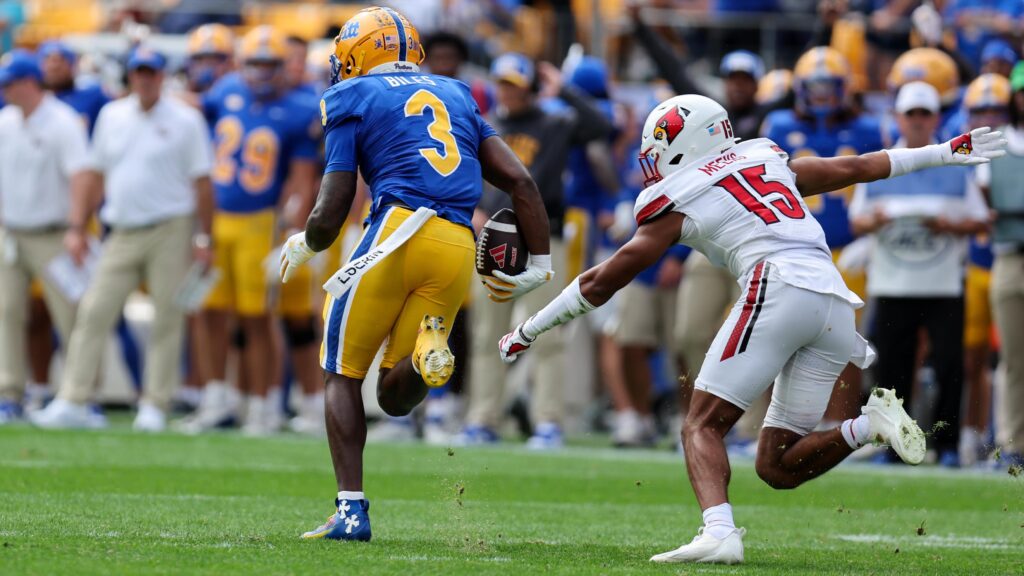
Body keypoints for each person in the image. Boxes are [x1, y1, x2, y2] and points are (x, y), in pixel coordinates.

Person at [498, 92, 1005, 564]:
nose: (654, 160)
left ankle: (719, 531)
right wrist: (943, 151)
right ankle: (868, 425)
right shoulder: (765, 159)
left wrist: (531, 328)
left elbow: (603, 280)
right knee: (776, 466)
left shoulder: (682, 195)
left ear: (686, 143)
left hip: (778, 287)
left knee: (700, 424)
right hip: (832, 301)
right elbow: (856, 167)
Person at [277, 6, 551, 541]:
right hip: (455, 242)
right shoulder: (457, 92)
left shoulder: (351, 94)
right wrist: (539, 264)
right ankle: (428, 359)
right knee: (393, 395)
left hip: (396, 232)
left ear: (358, 53)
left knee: (342, 373)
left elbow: (334, 205)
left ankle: (350, 511)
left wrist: (306, 242)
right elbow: (520, 181)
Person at [30, 47, 214, 432]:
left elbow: (202, 183)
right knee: (94, 310)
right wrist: (78, 226)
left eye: (151, 72)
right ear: (130, 76)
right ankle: (73, 398)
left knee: (168, 316)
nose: (144, 79)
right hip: (121, 229)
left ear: (162, 77)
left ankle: (155, 403)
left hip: (171, 227)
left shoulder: (186, 119)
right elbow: (96, 175)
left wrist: (204, 237)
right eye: (139, 72)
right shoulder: (112, 116)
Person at [460, 52, 613, 449]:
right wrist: (472, 209)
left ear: (529, 87)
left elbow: (603, 126)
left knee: (546, 332)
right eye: (502, 84)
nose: (507, 92)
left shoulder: (555, 122)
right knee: (486, 334)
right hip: (494, 239)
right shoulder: (485, 125)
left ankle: (548, 422)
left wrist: (564, 89)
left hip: (545, 238)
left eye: (514, 84)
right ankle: (483, 418)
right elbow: (465, 173)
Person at [183, 26, 320, 436]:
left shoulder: (299, 109)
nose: (260, 72)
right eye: (254, 63)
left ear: (282, 67)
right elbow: (192, 110)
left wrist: (291, 230)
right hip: (217, 217)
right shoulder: (225, 90)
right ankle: (214, 399)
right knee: (209, 311)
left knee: (256, 317)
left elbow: (302, 179)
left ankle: (262, 405)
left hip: (260, 221)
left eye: (269, 64)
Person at [850, 82, 990, 467]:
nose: (916, 120)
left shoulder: (955, 165)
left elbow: (981, 220)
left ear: (935, 118)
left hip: (943, 284)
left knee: (949, 366)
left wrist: (949, 225)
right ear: (898, 118)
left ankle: (946, 445)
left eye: (923, 113)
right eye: (910, 113)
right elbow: (857, 220)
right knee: (891, 369)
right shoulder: (880, 163)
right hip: (892, 283)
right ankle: (894, 446)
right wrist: (875, 220)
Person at [763, 46, 885, 426]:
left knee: (846, 341)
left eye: (827, 86)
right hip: (795, 249)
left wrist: (871, 235)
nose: (820, 96)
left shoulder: (868, 128)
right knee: (777, 337)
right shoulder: (778, 125)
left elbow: (880, 182)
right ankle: (778, 423)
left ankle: (839, 424)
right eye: (813, 87)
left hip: (847, 247)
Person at [0, 50, 90, 424]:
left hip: (53, 233)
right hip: (11, 231)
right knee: (7, 312)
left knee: (70, 314)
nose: (5, 91)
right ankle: (9, 393)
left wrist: (77, 227)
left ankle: (80, 394)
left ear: (29, 83)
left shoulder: (62, 121)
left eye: (10, 84)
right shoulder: (5, 121)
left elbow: (81, 176)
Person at [976, 61, 1024, 470]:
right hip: (1009, 254)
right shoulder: (997, 144)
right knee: (1013, 357)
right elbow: (981, 204)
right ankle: (1013, 443)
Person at [38, 41, 110, 135]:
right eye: (47, 61)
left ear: (72, 66)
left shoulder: (92, 94)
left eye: (59, 63)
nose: (52, 66)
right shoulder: (34, 99)